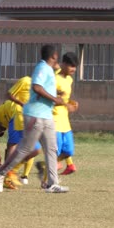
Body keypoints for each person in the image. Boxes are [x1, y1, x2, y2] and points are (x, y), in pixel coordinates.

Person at [0, 44, 69, 193]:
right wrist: (55, 98)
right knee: (24, 149)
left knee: (51, 149)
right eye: (56, 56)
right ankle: (0, 172)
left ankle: (52, 184)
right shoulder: (42, 68)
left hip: (46, 115)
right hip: (35, 115)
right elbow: (36, 87)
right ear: (53, 56)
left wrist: (56, 94)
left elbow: (43, 89)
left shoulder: (49, 70)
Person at [37, 52, 80, 184]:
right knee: (55, 152)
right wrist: (64, 103)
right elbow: (46, 98)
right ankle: (47, 182)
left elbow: (64, 98)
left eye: (75, 67)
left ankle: (44, 166)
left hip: (65, 121)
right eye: (71, 66)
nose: (74, 69)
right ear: (64, 64)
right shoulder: (54, 79)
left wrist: (71, 103)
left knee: (68, 151)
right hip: (54, 119)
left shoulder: (69, 79)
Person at [6, 76, 40, 185]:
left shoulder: (44, 85)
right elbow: (9, 94)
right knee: (16, 145)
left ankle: (10, 172)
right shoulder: (25, 81)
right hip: (21, 119)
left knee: (34, 149)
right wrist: (21, 104)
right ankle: (8, 174)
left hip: (35, 120)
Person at [0, 100, 22, 189]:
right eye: (1, 131)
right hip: (17, 113)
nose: (2, 130)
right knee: (14, 146)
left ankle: (6, 172)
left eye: (1, 131)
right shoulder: (0, 120)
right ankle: (7, 174)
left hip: (17, 111)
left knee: (23, 147)